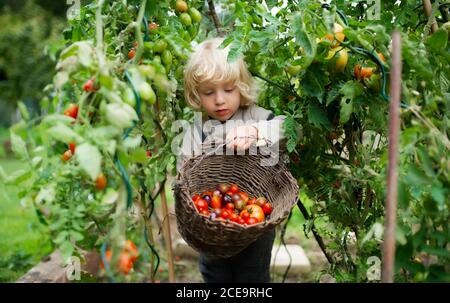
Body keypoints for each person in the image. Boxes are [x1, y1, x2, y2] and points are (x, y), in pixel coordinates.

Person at [176, 37, 287, 283]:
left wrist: (256, 132)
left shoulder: (257, 117)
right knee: (214, 274)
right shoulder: (196, 131)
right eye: (208, 92)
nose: (219, 100)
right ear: (197, 95)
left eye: (228, 90)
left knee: (253, 277)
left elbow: (285, 127)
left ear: (242, 87)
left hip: (255, 230)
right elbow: (183, 174)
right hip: (211, 228)